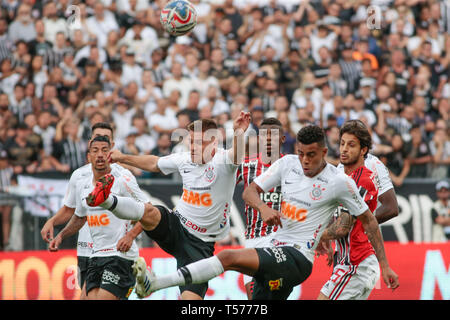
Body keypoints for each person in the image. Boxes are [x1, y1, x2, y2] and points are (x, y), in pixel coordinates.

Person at [122, 125, 399, 300]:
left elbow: (370, 222)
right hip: (273, 244)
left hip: (298, 257)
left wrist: (384, 265)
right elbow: (249, 192)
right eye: (301, 153)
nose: (305, 160)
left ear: (324, 152)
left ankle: (154, 284)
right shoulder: (287, 164)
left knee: (227, 256)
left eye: (311, 155)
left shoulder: (340, 181)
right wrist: (265, 208)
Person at [87, 112, 251, 300]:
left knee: (192, 302)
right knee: (150, 211)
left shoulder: (223, 161)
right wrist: (123, 157)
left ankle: (158, 285)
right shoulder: (184, 158)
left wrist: (239, 133)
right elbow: (154, 163)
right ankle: (105, 200)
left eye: (199, 142)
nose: (193, 147)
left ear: (213, 142)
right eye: (191, 141)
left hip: (200, 245)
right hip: (176, 226)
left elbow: (237, 154)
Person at [40, 122, 144, 298]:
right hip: (92, 254)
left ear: (112, 149)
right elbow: (77, 215)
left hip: (120, 255)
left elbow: (148, 211)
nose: (100, 155)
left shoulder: (123, 177)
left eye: (105, 149)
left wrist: (130, 235)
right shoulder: (81, 179)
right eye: (95, 149)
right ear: (89, 153)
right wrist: (60, 234)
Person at [317, 120, 382, 300]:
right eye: (342, 143)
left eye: (351, 145)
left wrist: (316, 236)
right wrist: (330, 242)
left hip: (355, 264)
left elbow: (342, 227)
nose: (344, 149)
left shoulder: (362, 180)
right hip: (353, 263)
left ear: (363, 150)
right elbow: (337, 220)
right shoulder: (344, 178)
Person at [235, 117, 285, 299]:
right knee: (254, 298)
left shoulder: (292, 165)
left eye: (274, 135)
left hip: (281, 239)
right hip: (253, 240)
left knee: (271, 296)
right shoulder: (247, 165)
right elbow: (222, 185)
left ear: (283, 139)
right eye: (264, 135)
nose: (269, 139)